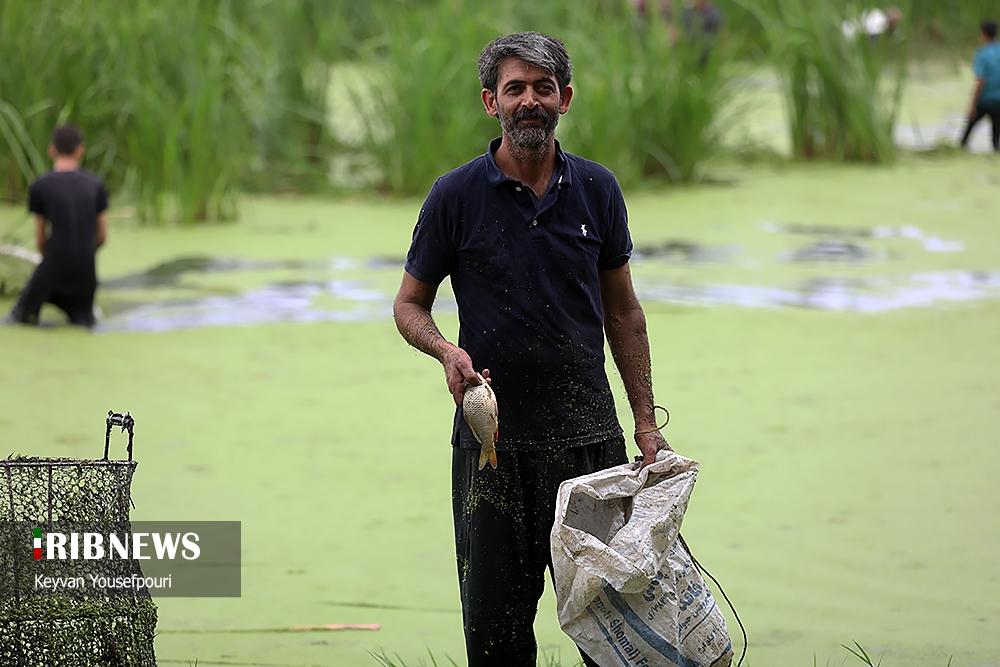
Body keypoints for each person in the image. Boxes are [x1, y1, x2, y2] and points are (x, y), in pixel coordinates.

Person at [392, 32, 669, 666]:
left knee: (617, 633)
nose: (529, 101)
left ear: (564, 99)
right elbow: (410, 306)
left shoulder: (598, 190)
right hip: (494, 449)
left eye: (543, 88)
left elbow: (624, 312)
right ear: (491, 101)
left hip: (591, 447)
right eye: (515, 89)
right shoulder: (454, 197)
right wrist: (445, 351)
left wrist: (646, 426)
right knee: (496, 637)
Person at [6, 125, 108, 327]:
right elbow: (103, 235)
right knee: (83, 323)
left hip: (53, 265)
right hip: (86, 269)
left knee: (19, 319)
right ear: (80, 150)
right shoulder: (95, 185)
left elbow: (40, 237)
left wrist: (51, 258)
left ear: (52, 150)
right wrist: (85, 251)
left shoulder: (41, 186)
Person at [960, 20, 1000, 153]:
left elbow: (981, 80)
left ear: (983, 34)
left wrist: (972, 103)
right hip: (999, 102)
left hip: (985, 101)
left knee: (965, 137)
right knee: (996, 141)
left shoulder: (982, 54)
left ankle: (961, 149)